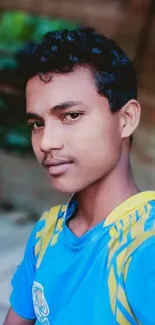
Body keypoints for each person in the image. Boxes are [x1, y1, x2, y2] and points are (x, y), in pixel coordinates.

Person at [3, 27, 155, 325]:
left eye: (70, 116)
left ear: (126, 120)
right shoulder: (46, 235)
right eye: (37, 123)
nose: (46, 142)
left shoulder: (145, 249)